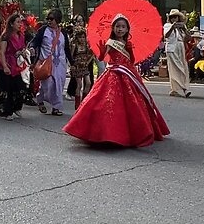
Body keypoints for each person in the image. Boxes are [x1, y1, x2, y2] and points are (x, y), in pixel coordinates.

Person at [63, 14, 170, 147]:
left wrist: (130, 50)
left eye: (123, 27)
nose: (120, 29)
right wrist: (102, 51)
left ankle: (131, 133)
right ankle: (105, 133)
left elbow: (131, 60)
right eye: (117, 26)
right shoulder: (110, 42)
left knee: (134, 103)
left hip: (127, 74)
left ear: (127, 29)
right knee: (105, 100)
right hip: (112, 73)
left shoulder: (127, 43)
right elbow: (102, 58)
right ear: (113, 28)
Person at [30, 8, 70, 116]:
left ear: (57, 20)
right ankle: (40, 98)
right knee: (48, 84)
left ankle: (56, 107)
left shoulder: (63, 33)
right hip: (46, 62)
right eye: (47, 18)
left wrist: (72, 63)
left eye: (51, 19)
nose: (49, 21)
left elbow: (67, 49)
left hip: (60, 63)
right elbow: (34, 42)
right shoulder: (43, 30)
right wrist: (32, 48)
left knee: (59, 85)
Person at [0, 12, 31, 120]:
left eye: (21, 22)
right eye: (18, 22)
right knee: (7, 89)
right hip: (5, 64)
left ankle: (16, 107)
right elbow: (1, 52)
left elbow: (22, 48)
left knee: (21, 87)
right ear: (11, 24)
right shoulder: (6, 36)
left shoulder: (21, 35)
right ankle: (7, 111)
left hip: (16, 65)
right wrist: (5, 67)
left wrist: (25, 53)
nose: (20, 24)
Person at [65, 19, 95, 110]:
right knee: (79, 85)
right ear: (77, 38)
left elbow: (90, 55)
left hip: (84, 66)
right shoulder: (75, 45)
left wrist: (88, 61)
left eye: (83, 37)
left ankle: (84, 101)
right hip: (77, 66)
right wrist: (72, 65)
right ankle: (77, 104)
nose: (82, 39)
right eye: (80, 37)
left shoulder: (86, 45)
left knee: (88, 83)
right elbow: (71, 55)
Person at [163, 9, 191, 98]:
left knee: (182, 66)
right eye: (172, 17)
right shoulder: (167, 25)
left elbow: (188, 38)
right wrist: (172, 27)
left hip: (180, 47)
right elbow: (166, 35)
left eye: (176, 17)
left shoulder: (182, 27)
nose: (174, 19)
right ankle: (184, 88)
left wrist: (183, 29)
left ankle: (174, 89)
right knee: (177, 67)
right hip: (171, 48)